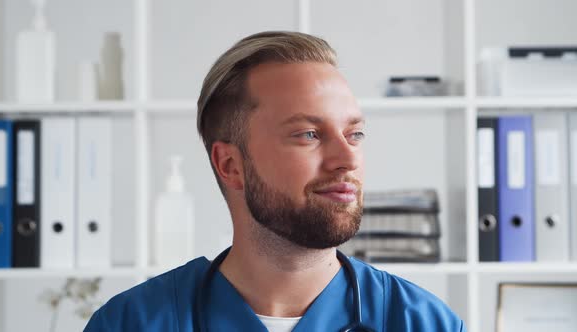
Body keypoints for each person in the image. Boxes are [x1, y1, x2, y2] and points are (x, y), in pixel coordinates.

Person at [84, 31, 466, 332]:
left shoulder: (425, 323)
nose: (347, 158)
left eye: (355, 135)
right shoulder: (131, 323)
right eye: (308, 135)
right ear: (230, 164)